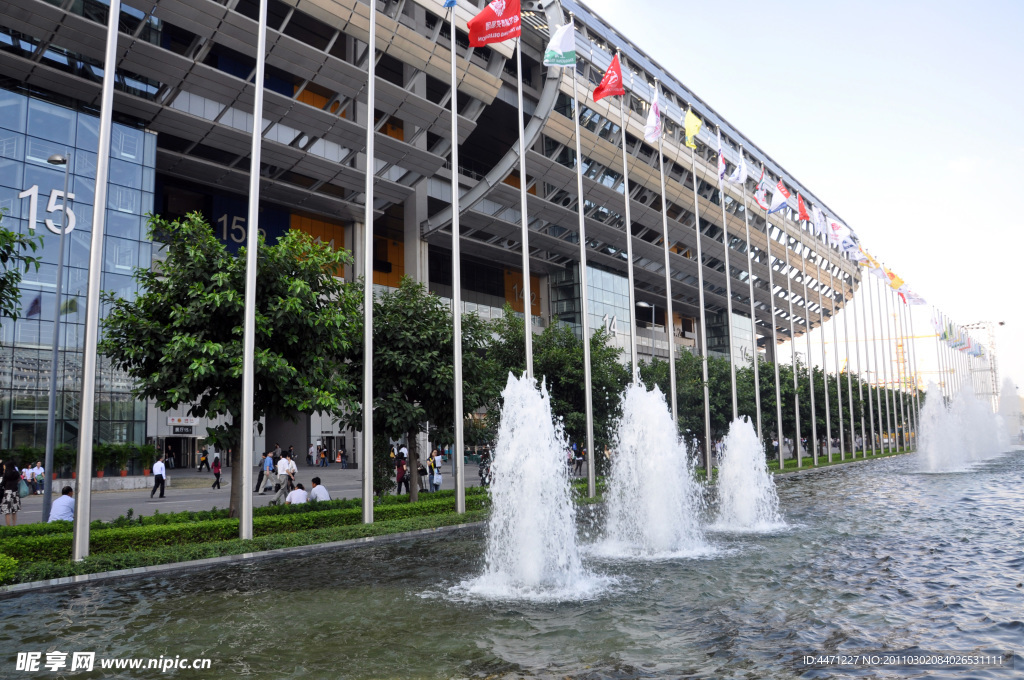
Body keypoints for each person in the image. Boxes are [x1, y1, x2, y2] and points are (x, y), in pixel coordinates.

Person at [2, 461, 21, 526]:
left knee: (7, 511)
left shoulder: (6, 474)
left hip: (8, 493)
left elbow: (3, 483)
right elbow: (18, 481)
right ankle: (14, 525)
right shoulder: (16, 473)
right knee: (14, 511)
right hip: (15, 493)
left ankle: (8, 526)